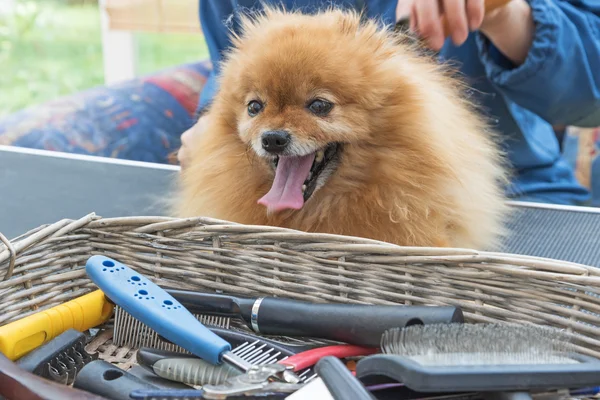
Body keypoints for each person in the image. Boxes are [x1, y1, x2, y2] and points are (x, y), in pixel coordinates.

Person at [178, 0, 600, 206]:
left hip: (519, 196)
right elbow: (233, 74)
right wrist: (211, 121)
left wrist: (504, 14)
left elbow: (592, 92)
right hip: (275, 207)